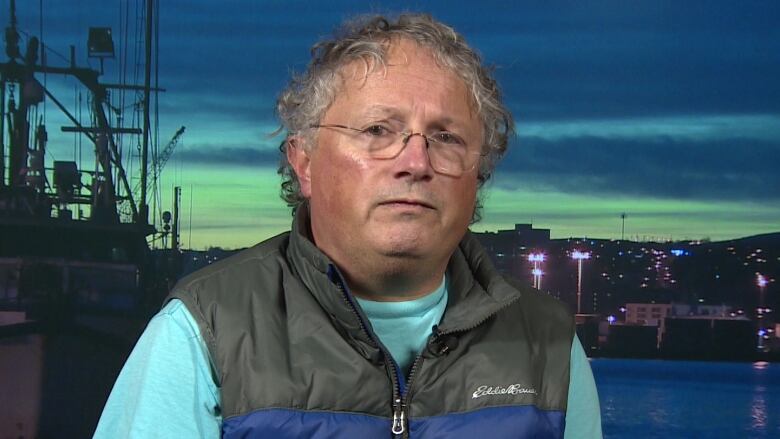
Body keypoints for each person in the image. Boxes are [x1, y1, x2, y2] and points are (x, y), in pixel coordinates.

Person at [95, 14, 602, 438]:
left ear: (479, 175)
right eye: (378, 130)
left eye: (446, 137)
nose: (416, 161)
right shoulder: (205, 330)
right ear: (305, 162)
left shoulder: (549, 344)